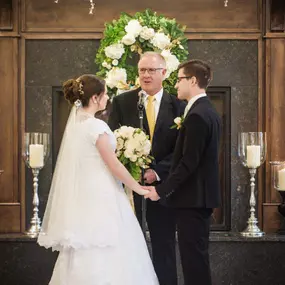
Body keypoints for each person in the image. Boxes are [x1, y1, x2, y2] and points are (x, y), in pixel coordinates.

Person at [37, 74, 159, 285]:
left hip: (84, 196)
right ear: (95, 98)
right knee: (109, 245)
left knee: (84, 246)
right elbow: (113, 164)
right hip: (103, 196)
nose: (107, 99)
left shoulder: (76, 126)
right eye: (104, 95)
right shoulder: (97, 127)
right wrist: (138, 188)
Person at [108, 52, 186, 285]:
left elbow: (183, 149)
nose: (146, 75)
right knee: (132, 245)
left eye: (151, 70)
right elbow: (113, 141)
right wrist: (131, 169)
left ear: (164, 73)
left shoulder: (179, 106)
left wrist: (157, 172)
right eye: (142, 70)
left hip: (164, 188)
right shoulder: (123, 102)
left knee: (164, 246)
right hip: (131, 188)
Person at [144, 59, 221, 285]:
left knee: (193, 262)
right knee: (195, 258)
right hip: (198, 198)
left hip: (193, 200)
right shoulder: (205, 110)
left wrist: (161, 191)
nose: (175, 85)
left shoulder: (197, 115)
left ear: (193, 80)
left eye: (179, 80)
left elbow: (189, 163)